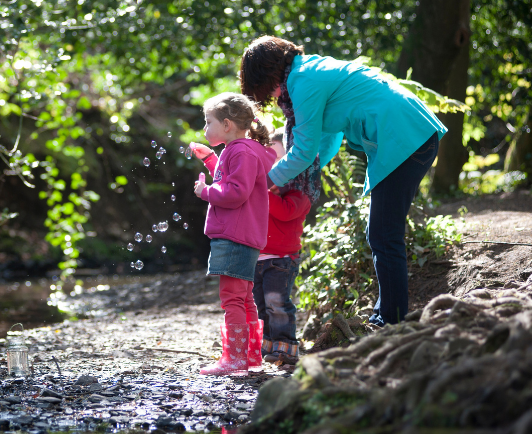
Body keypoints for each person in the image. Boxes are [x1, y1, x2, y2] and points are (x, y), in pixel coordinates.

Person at [239, 35, 447, 326]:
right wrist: (288, 179)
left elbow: (303, 150)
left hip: (403, 136)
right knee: (383, 235)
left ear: (269, 73)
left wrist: (264, 180)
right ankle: (386, 316)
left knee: (384, 236)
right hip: (404, 136)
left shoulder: (303, 81)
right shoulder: (308, 72)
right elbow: (327, 140)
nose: (272, 97)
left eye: (267, 89)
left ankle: (390, 320)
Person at [189, 92, 277, 375]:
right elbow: (232, 179)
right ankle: (250, 357)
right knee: (244, 297)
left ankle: (234, 359)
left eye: (208, 122)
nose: (205, 129)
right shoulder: (243, 150)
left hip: (234, 235)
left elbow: (235, 192)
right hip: (245, 235)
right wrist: (210, 159)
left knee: (232, 298)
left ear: (227, 124)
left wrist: (206, 192)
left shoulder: (239, 151)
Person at [255, 128, 311, 365]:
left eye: (281, 160)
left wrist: (263, 191)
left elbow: (287, 212)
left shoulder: (300, 192)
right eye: (271, 159)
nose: (275, 166)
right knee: (261, 303)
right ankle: (267, 344)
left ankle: (286, 347)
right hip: (257, 256)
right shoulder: (263, 190)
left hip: (282, 258)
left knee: (277, 303)